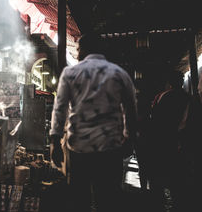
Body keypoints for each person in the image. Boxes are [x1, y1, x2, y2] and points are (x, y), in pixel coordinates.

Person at [50, 34, 138, 212]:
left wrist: (55, 141)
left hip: (79, 148)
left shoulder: (71, 73)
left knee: (79, 200)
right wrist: (129, 138)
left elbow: (59, 109)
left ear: (83, 49)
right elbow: (131, 109)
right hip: (110, 149)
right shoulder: (119, 73)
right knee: (108, 199)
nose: (77, 53)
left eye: (77, 49)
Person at [147, 70, 191, 211]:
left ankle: (158, 206)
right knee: (178, 181)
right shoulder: (188, 98)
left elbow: (154, 121)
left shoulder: (161, 97)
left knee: (159, 179)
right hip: (179, 142)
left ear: (169, 83)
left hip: (162, 142)